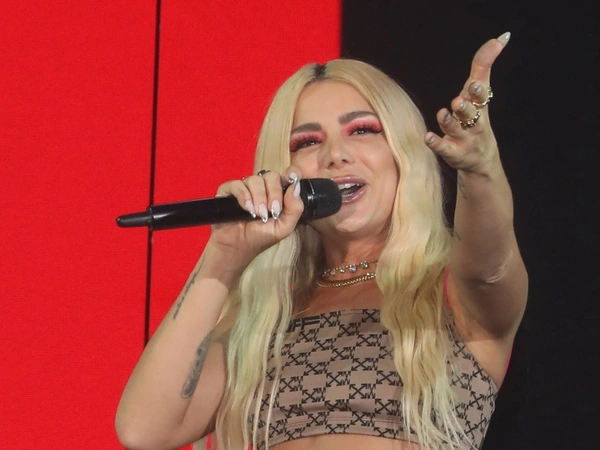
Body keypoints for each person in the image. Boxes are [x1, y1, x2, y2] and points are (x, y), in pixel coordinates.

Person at [115, 31, 527, 450]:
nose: (335, 155)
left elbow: (490, 270)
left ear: (402, 153)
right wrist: (223, 256)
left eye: (362, 130)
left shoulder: (451, 290)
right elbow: (144, 431)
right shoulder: (262, 318)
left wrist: (480, 170)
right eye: (307, 141)